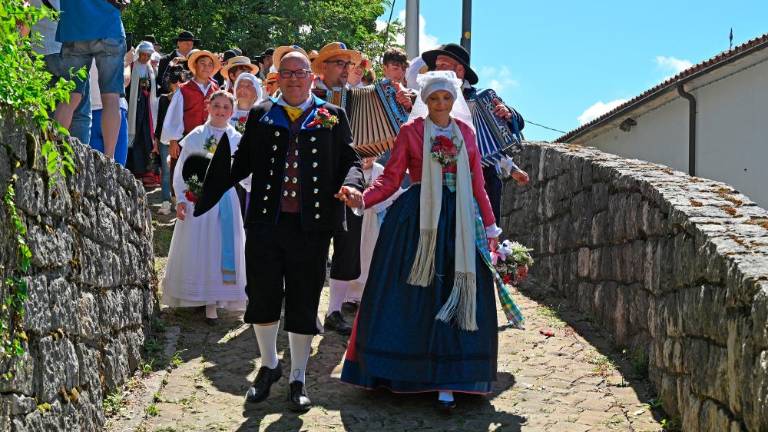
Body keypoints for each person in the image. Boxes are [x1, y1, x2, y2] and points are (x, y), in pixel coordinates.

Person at [192, 51, 363, 411]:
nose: (294, 79)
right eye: (287, 73)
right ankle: (269, 366)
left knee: (304, 298)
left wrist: (351, 185)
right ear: (278, 77)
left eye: (300, 73)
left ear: (311, 77)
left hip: (312, 226)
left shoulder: (333, 114)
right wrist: (204, 182)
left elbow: (350, 160)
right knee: (263, 295)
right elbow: (241, 163)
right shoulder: (261, 114)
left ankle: (298, 376)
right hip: (265, 222)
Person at [339, 71, 502, 411]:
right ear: (425, 101)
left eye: (446, 98)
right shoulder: (411, 131)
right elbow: (391, 178)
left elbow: (477, 184)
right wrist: (362, 199)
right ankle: (405, 369)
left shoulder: (466, 133)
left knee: (455, 292)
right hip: (417, 219)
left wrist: (490, 227)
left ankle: (450, 379)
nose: (440, 104)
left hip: (458, 220)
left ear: (454, 100)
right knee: (414, 294)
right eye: (434, 98)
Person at [162, 90, 248, 324]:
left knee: (220, 245)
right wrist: (181, 198)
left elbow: (245, 172)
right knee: (199, 243)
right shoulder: (196, 135)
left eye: (226, 107)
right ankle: (198, 293)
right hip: (198, 198)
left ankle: (214, 300)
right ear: (208, 107)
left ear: (232, 111)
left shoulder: (237, 138)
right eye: (216, 106)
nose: (220, 111)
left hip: (225, 199)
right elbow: (182, 169)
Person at [423, 43, 529, 221]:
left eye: (443, 65)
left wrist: (508, 114)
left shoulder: (482, 98)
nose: (436, 70)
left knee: (486, 234)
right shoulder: (427, 100)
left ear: (459, 70)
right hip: (441, 179)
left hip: (484, 178)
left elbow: (502, 136)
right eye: (436, 66)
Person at [310, 41, 364, 335]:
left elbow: (361, 145)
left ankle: (334, 310)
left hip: (350, 184)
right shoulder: (306, 96)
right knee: (313, 249)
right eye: (339, 64)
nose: (345, 70)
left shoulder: (361, 97)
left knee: (347, 247)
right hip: (313, 185)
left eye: (348, 64)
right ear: (323, 67)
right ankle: (308, 310)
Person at [54, 0, 126, 158]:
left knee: (69, 96)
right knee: (111, 97)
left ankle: (54, 151)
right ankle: (109, 159)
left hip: (73, 28)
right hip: (109, 26)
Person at [341, 156, 401, 312]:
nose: (365, 159)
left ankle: (363, 295)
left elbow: (393, 192)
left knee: (368, 255)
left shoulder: (380, 171)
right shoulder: (351, 169)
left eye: (370, 155)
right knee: (352, 254)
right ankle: (348, 296)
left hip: (371, 221)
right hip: (353, 219)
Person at [161, 49, 221, 192]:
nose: (206, 67)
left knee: (206, 178)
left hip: (210, 140)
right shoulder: (183, 89)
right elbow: (175, 116)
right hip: (186, 140)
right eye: (202, 63)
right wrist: (173, 140)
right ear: (194, 66)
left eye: (210, 64)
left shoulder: (216, 89)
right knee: (184, 177)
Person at [154, 65, 188, 214]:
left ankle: (178, 200)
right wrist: (156, 141)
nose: (177, 85)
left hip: (182, 138)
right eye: (175, 81)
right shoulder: (163, 99)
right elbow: (160, 122)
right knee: (166, 170)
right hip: (164, 138)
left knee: (180, 170)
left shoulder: (186, 98)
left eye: (180, 81)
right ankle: (166, 201)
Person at [126, 41, 159, 186]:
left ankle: (146, 171)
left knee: (146, 137)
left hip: (146, 107)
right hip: (133, 106)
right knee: (135, 136)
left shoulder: (151, 69)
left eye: (148, 56)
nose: (145, 58)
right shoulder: (132, 67)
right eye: (143, 55)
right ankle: (133, 169)